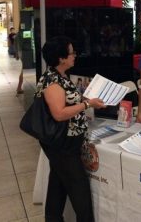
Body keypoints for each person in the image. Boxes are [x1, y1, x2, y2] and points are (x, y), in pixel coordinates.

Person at [39, 36, 106, 222]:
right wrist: (87, 105)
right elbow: (59, 113)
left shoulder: (61, 75)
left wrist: (85, 101)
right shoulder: (52, 81)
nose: (75, 55)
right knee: (80, 193)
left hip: (65, 142)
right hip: (63, 145)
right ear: (61, 58)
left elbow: (68, 102)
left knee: (57, 187)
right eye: (71, 53)